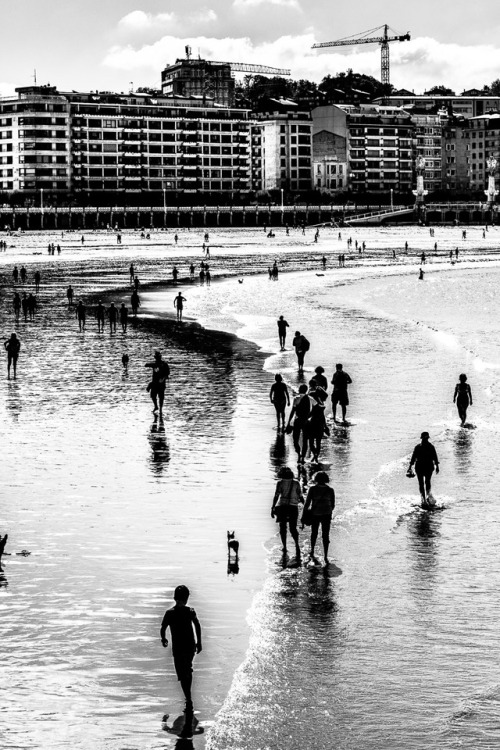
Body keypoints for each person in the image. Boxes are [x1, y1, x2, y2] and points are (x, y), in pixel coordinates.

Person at [160, 585, 202, 736]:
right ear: (187, 598)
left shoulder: (170, 613)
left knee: (182, 672)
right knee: (187, 669)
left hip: (178, 648)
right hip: (190, 646)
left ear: (174, 598)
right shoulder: (190, 611)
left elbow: (163, 627)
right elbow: (197, 625)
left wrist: (163, 638)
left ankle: (188, 698)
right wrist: (199, 642)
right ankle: (188, 697)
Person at [302, 471, 335, 565]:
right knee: (325, 535)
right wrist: (328, 510)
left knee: (314, 533)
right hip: (327, 514)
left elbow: (307, 503)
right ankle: (325, 555)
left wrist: (303, 515)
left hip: (315, 513)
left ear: (316, 479)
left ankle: (312, 551)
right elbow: (333, 505)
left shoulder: (312, 489)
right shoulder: (330, 490)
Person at [271, 466, 303, 559]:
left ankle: (284, 547)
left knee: (283, 528)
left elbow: (276, 496)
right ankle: (297, 545)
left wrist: (272, 507)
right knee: (293, 528)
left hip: (282, 507)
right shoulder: (296, 483)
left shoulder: (280, 483)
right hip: (293, 507)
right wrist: (305, 508)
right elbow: (300, 496)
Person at [408, 431, 440, 508]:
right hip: (428, 466)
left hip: (420, 467)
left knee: (421, 483)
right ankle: (427, 497)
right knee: (427, 482)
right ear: (427, 438)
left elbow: (413, 458)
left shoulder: (418, 447)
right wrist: (437, 466)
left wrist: (410, 467)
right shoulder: (431, 446)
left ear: (421, 438)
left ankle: (424, 499)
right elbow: (435, 457)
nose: (425, 440)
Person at [287, 383, 312, 463]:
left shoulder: (296, 398)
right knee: (305, 440)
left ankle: (299, 454)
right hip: (306, 421)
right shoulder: (310, 398)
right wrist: (309, 416)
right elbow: (318, 407)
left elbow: (293, 411)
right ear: (306, 390)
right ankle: (303, 457)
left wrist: (288, 422)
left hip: (297, 420)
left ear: (299, 390)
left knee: (295, 439)